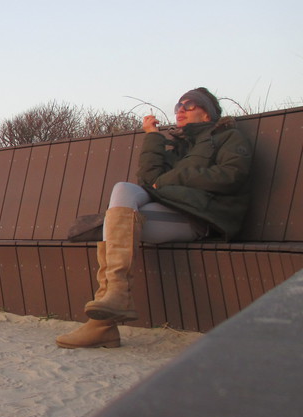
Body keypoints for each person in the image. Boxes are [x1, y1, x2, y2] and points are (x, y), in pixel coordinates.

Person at [57, 87, 253, 348]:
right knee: (123, 190)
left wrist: (171, 179)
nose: (180, 110)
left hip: (200, 216)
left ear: (207, 114)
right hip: (169, 209)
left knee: (115, 224)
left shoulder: (227, 137)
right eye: (178, 106)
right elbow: (148, 180)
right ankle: (114, 296)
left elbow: (231, 176)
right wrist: (152, 137)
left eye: (189, 105)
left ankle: (103, 321)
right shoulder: (179, 146)